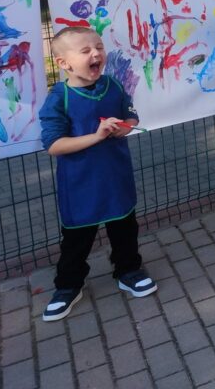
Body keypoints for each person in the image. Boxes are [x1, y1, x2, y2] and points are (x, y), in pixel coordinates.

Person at [39, 27, 157, 322]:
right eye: (86, 51)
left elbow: (131, 118)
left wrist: (124, 127)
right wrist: (98, 136)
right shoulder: (58, 97)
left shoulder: (113, 85)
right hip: (80, 184)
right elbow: (54, 145)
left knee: (124, 228)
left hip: (116, 177)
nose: (96, 54)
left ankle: (128, 270)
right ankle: (68, 286)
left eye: (99, 47)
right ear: (64, 63)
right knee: (77, 239)